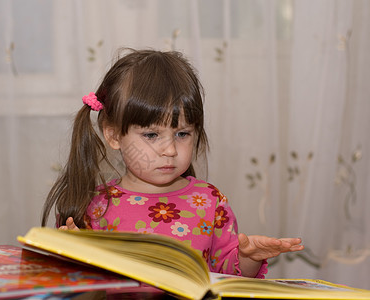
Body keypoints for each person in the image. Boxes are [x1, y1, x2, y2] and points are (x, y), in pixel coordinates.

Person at [41, 48, 303, 278]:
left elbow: (228, 275)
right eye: (151, 135)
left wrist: (249, 258)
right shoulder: (95, 207)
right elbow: (80, 284)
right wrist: (72, 253)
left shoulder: (209, 201)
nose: (169, 149)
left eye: (182, 134)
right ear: (113, 135)